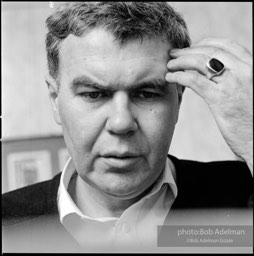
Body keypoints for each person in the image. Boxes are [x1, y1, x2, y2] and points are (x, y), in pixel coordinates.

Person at [2, 2, 253, 253]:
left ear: (178, 99)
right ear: (55, 100)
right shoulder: (6, 224)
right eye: (94, 94)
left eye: (146, 94)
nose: (121, 123)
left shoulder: (242, 195)